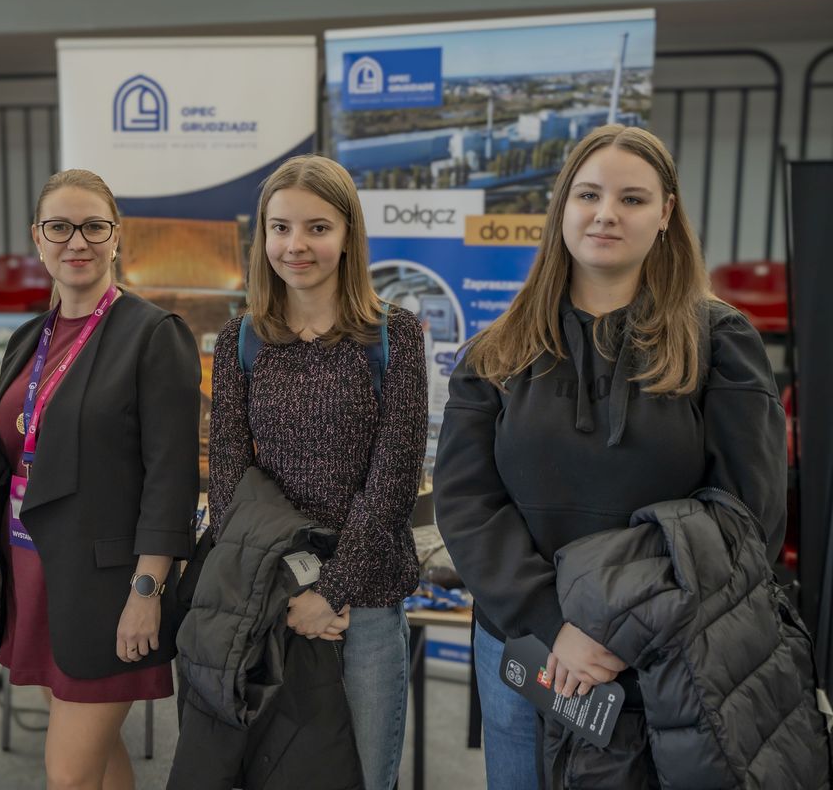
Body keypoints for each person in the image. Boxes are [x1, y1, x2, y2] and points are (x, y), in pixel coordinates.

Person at [433, 124, 787, 787]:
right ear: (562, 205)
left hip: (667, 656)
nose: (605, 214)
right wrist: (555, 625)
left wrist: (613, 630)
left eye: (632, 199)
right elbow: (466, 502)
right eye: (589, 194)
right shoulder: (496, 353)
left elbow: (748, 518)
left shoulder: (721, 343)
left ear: (665, 213)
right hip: (525, 648)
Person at [0, 168, 201, 790]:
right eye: (60, 227)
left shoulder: (154, 335)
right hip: (32, 572)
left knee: (68, 775)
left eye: (94, 227)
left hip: (108, 587)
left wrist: (147, 592)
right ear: (36, 238)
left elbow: (171, 479)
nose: (78, 241)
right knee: (99, 759)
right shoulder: (28, 338)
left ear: (117, 236)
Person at [205, 154, 427, 790]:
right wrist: (288, 592)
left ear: (349, 234)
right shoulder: (241, 339)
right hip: (270, 596)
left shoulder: (394, 336)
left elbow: (393, 482)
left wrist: (332, 591)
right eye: (280, 228)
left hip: (366, 602)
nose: (295, 245)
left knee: (364, 774)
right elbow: (229, 482)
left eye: (317, 228)